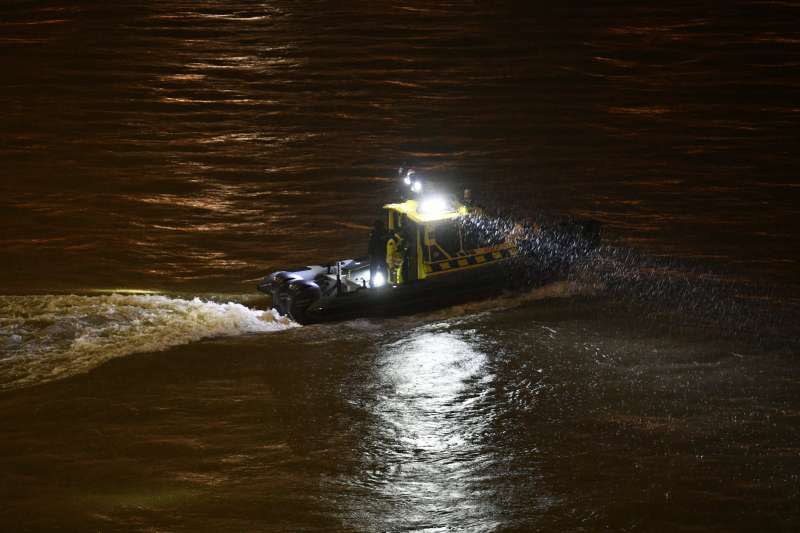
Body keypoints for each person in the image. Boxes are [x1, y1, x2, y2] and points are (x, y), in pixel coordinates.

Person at [368, 219, 390, 287]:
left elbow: (370, 245)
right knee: (382, 269)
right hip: (380, 255)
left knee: (374, 270)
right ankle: (384, 283)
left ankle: (373, 283)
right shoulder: (382, 233)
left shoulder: (374, 234)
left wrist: (370, 254)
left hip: (377, 255)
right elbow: (371, 244)